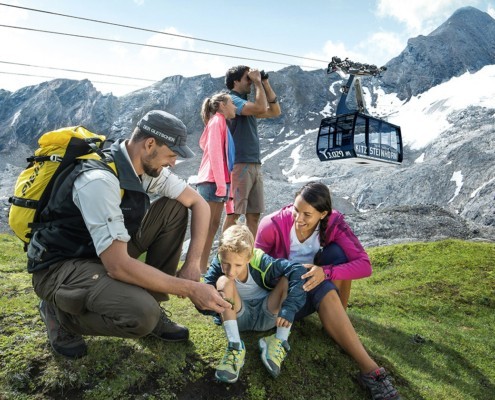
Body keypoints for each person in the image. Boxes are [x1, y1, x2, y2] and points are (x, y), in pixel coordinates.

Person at [27, 110, 232, 359]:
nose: (172, 163)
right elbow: (118, 267)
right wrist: (189, 289)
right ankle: (60, 315)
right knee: (141, 316)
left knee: (176, 207)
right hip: (61, 266)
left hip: (100, 253)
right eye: (171, 155)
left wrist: (192, 265)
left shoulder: (141, 167)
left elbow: (197, 203)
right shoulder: (99, 180)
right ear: (149, 144)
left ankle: (155, 305)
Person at [255, 182, 401, 400]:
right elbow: (255, 266)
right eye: (296, 210)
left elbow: (364, 265)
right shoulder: (271, 225)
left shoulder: (334, 222)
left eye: (307, 214)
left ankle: (337, 323)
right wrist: (289, 273)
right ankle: (372, 372)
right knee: (319, 281)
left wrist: (325, 271)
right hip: (281, 298)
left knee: (337, 255)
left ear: (323, 214)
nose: (299, 218)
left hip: (314, 286)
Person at [202, 224, 307, 383]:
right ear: (219, 255)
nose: (231, 271)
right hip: (237, 317)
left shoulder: (262, 261)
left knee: (287, 279)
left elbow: (298, 270)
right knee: (223, 281)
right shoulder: (218, 263)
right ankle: (235, 347)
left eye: (238, 265)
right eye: (226, 263)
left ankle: (278, 340)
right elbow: (205, 294)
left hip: (267, 314)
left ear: (249, 257)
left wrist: (289, 308)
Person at [222, 65, 281, 238]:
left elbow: (275, 111)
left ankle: (249, 255)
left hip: (254, 163)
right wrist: (257, 84)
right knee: (234, 214)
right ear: (236, 81)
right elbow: (261, 108)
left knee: (253, 214)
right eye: (247, 78)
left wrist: (265, 83)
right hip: (240, 163)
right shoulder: (232, 100)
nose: (250, 81)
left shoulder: (247, 103)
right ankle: (223, 255)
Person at [196, 92, 236, 274]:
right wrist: (221, 185)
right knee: (206, 228)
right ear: (222, 105)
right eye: (232, 103)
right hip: (212, 181)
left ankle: (202, 268)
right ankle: (196, 267)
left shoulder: (221, 123)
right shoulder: (217, 122)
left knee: (211, 227)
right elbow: (214, 153)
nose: (235, 107)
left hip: (218, 182)